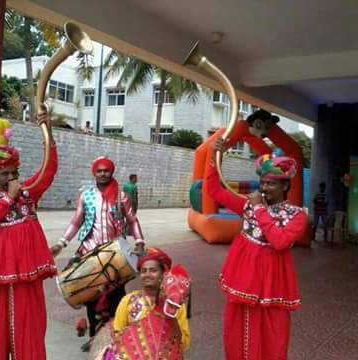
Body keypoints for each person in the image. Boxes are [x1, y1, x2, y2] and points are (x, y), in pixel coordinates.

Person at [0, 112, 58, 360]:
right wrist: (8, 199)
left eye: (13, 172)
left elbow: (47, 172)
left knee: (30, 324)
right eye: (5, 174)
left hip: (27, 271)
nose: (11, 178)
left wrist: (49, 133)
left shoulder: (28, 192)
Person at [208, 138, 307, 360]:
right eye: (262, 182)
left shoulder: (297, 215)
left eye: (271, 183)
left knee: (274, 332)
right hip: (243, 277)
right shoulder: (248, 205)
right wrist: (215, 159)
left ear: (285, 186)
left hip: (274, 283)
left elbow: (279, 242)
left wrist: (260, 209)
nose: (264, 188)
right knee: (236, 328)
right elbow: (214, 189)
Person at [51, 156, 144, 352]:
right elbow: (76, 222)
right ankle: (95, 338)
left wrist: (139, 241)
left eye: (106, 171)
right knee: (91, 299)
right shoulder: (86, 196)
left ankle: (117, 337)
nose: (103, 174)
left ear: (112, 172)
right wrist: (62, 243)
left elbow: (132, 221)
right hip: (90, 253)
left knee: (117, 298)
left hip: (115, 254)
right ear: (94, 173)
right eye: (99, 171)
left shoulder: (121, 196)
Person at [109, 247, 191, 359]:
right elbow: (117, 334)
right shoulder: (127, 301)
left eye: (153, 270)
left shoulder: (174, 305)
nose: (147, 274)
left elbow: (184, 344)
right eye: (143, 271)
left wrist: (170, 315)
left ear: (163, 274)